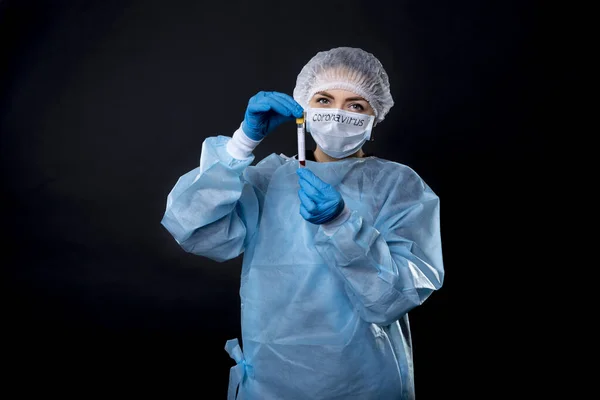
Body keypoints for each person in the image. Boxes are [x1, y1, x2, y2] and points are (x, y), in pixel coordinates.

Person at [161, 46, 444, 400]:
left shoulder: (398, 187)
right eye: (324, 100)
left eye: (356, 106)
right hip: (273, 379)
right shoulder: (269, 179)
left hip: (363, 381)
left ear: (375, 117)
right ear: (305, 110)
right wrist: (242, 142)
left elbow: (394, 298)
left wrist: (340, 223)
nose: (338, 115)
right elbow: (191, 227)